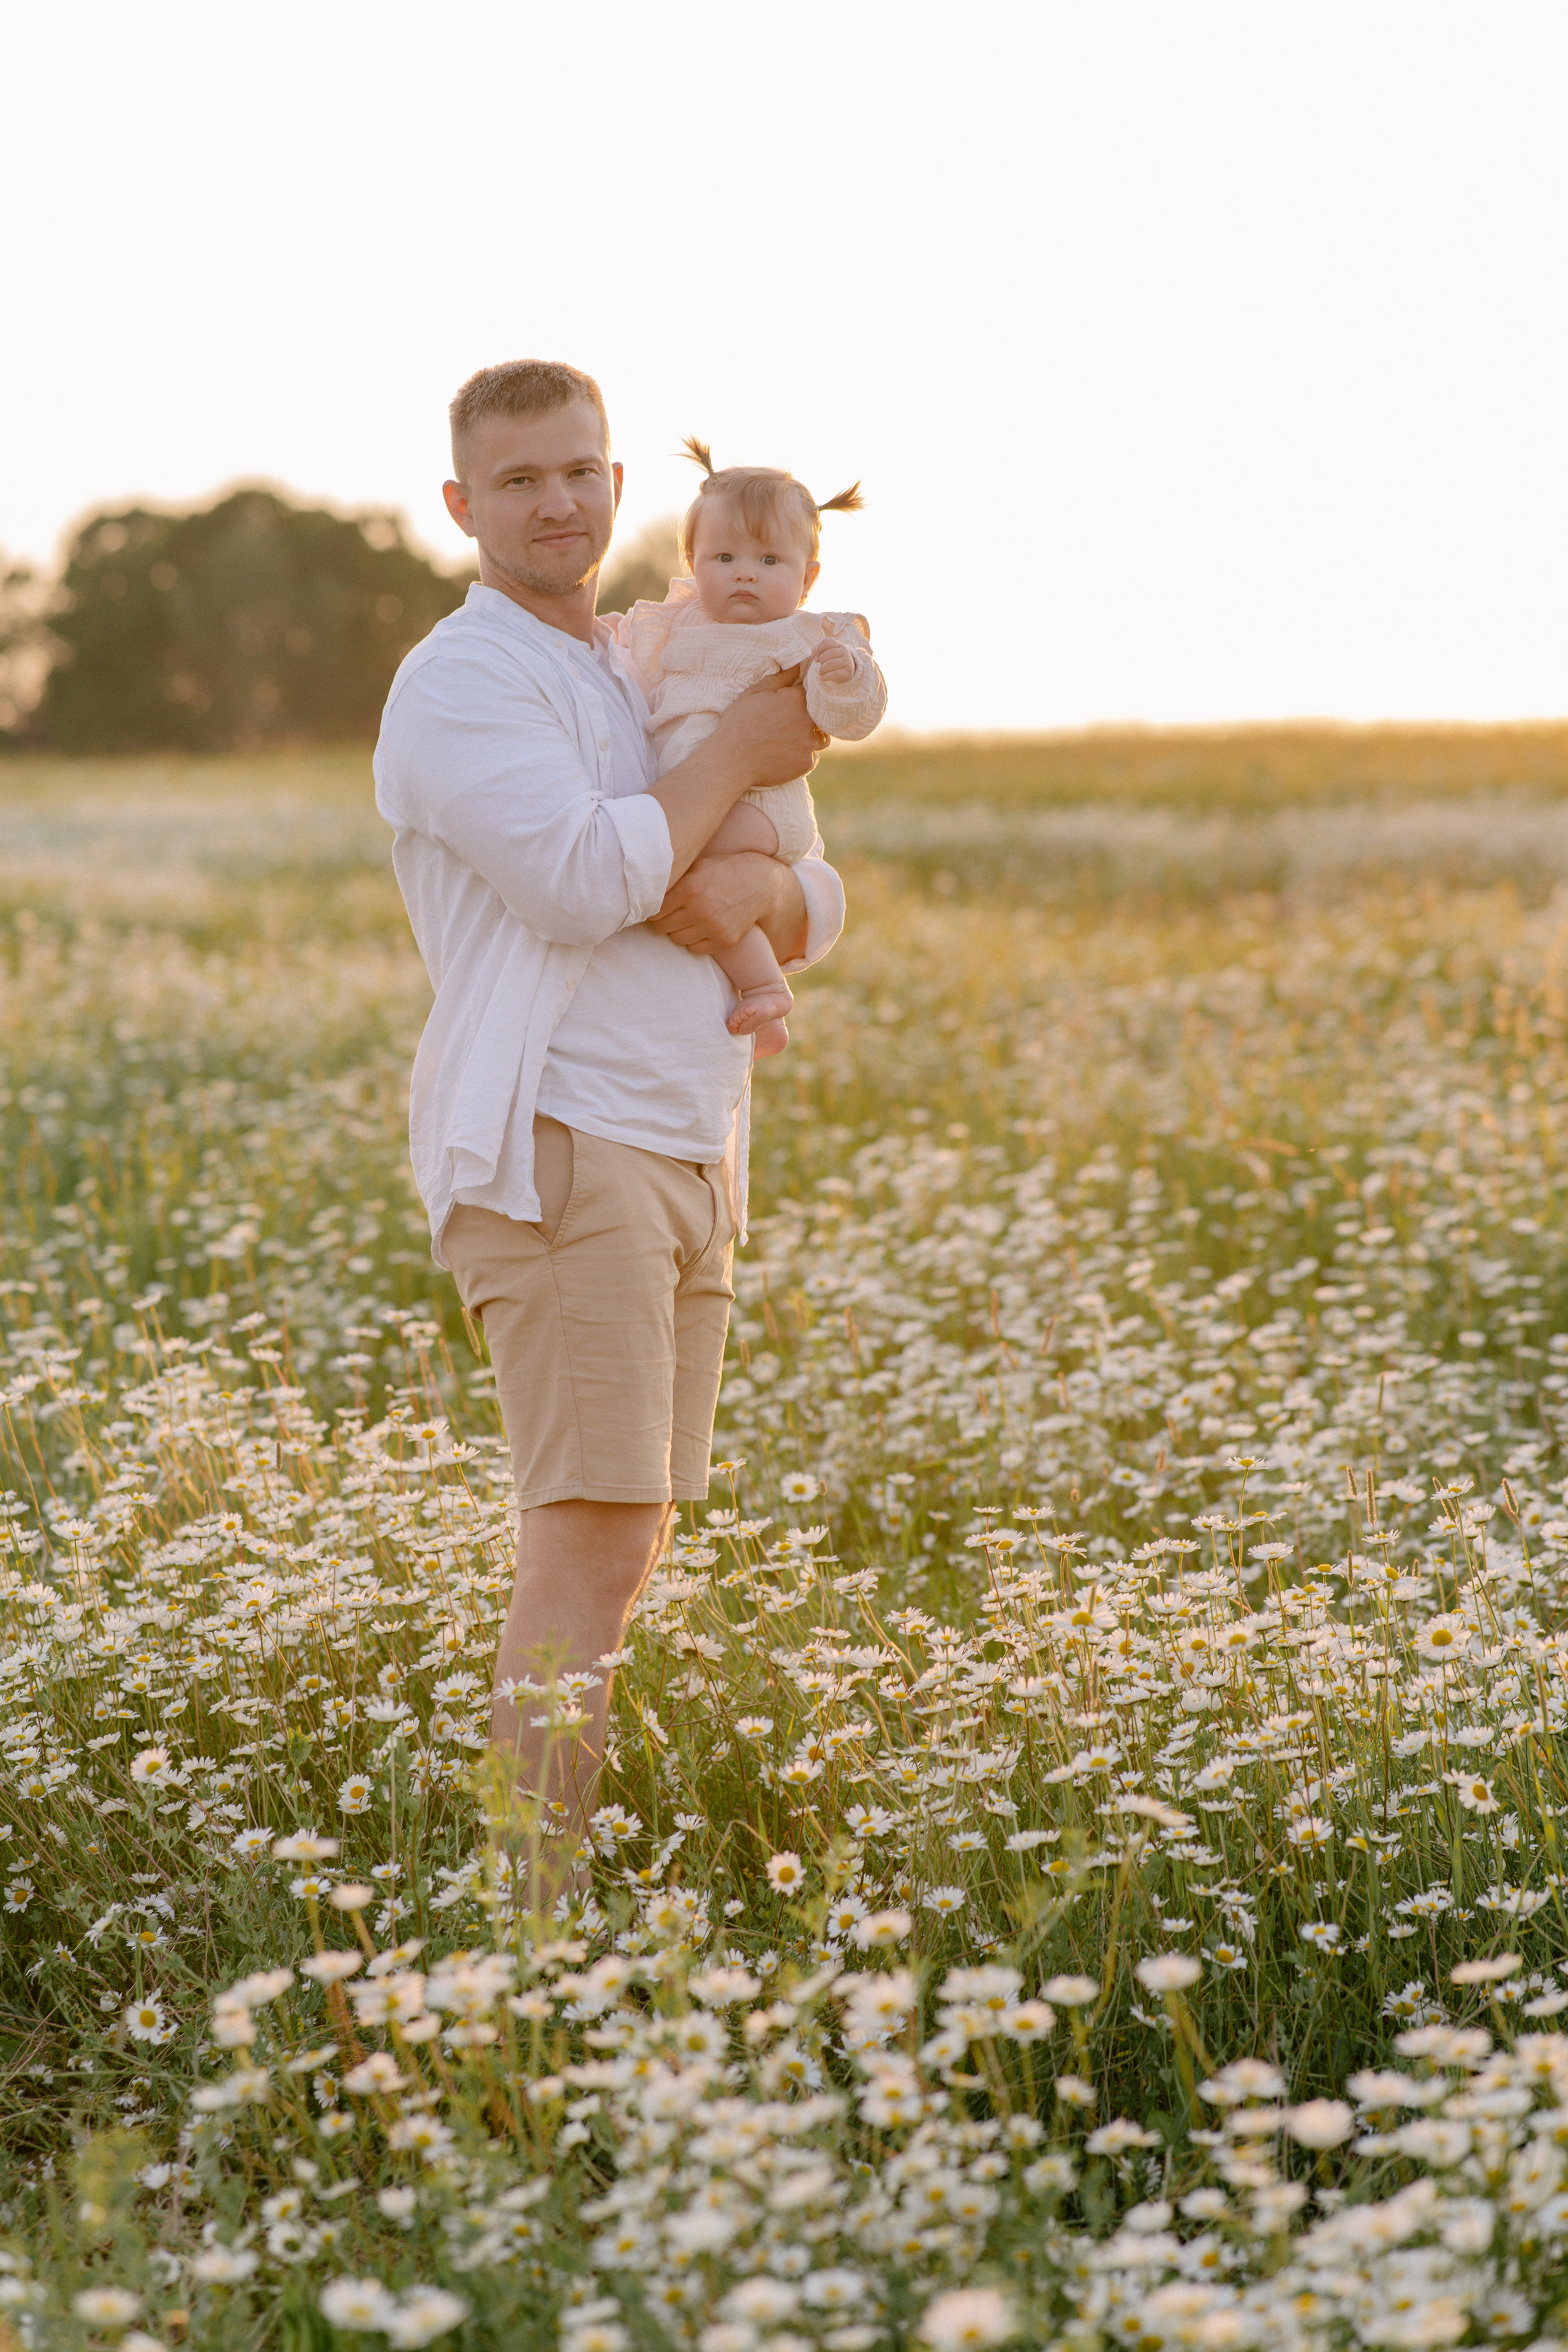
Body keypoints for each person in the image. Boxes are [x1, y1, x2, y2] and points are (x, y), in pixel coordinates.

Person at [372, 360, 846, 1884]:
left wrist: (766, 883)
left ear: (621, 485)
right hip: (561, 1145)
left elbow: (805, 886)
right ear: (463, 504)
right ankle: (530, 1934)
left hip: (686, 1144)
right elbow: (585, 879)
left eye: (579, 470)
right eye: (518, 480)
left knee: (624, 1538)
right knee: (584, 1540)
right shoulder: (463, 680)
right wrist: (741, 761)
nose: (557, 502)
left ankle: (545, 1906)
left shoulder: (633, 662)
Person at [607, 440, 886, 1056]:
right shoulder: (677, 623)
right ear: (692, 561)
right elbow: (629, 660)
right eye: (725, 557)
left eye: (769, 560)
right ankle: (762, 1001)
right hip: (708, 796)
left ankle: (764, 987)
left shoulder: (804, 637)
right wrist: (605, 638)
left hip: (762, 808)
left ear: (807, 578)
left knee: (670, 860)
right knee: (684, 872)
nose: (745, 573)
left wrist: (846, 677)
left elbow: (850, 719)